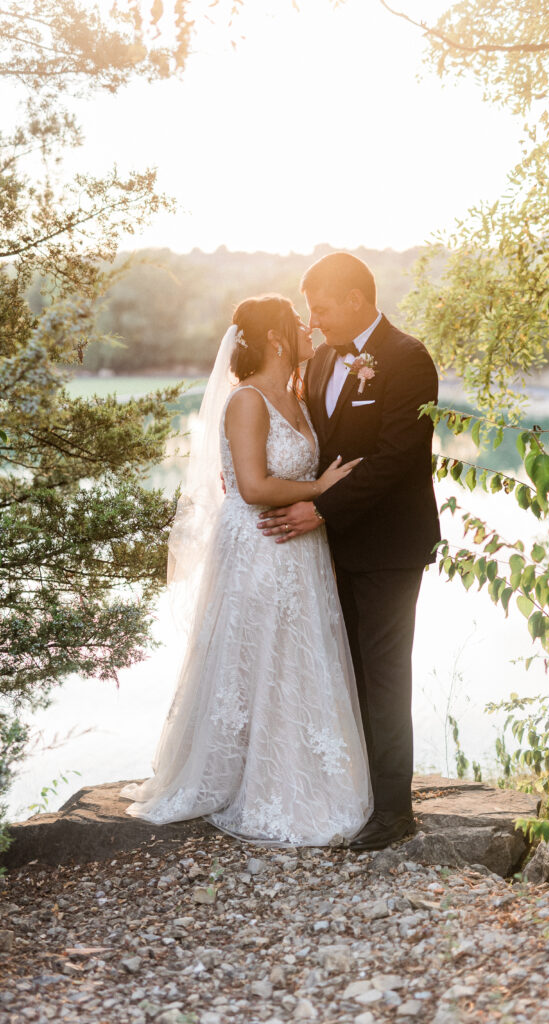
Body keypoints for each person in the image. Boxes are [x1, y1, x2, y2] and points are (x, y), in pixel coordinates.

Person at [122, 294, 372, 846]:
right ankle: (239, 779)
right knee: (255, 654)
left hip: (300, 546)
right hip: (259, 544)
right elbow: (253, 486)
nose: (310, 328)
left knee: (294, 654)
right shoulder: (247, 400)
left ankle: (294, 771)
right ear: (277, 338)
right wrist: (321, 489)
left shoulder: (297, 396)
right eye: (298, 323)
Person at [258, 253, 441, 850]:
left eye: (322, 308)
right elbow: (312, 447)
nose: (314, 321)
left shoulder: (408, 358)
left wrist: (320, 509)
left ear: (357, 300)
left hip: (389, 545)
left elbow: (397, 458)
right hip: (324, 550)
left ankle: (393, 812)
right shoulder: (319, 363)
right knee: (344, 671)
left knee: (385, 675)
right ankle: (354, 795)